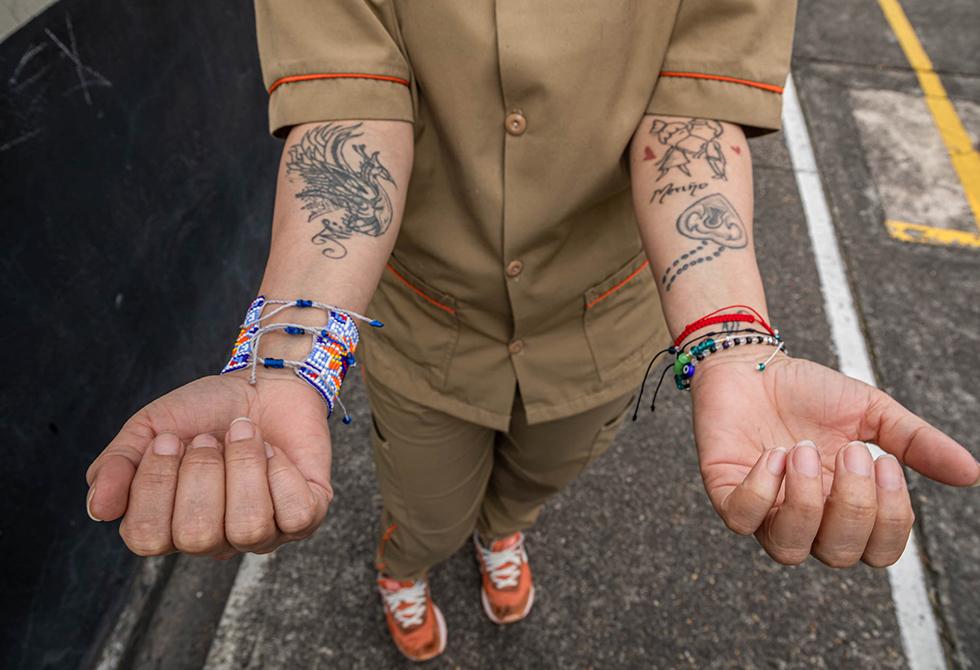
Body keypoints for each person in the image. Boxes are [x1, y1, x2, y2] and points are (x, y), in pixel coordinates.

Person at [84, 1, 980, 662]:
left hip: (601, 321)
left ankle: (501, 534)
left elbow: (693, 117)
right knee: (424, 507)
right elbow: (349, 110)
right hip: (427, 320)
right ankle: (405, 567)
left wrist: (735, 346)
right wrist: (284, 362)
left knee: (533, 483)